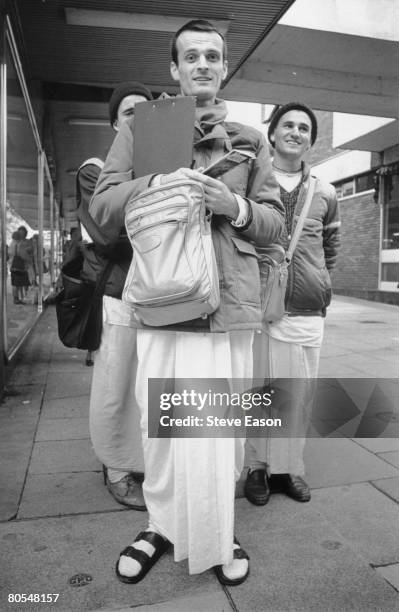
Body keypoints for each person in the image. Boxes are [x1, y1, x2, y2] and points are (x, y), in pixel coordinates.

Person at [90, 19, 283, 585]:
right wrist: (157, 183)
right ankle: (160, 524)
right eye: (190, 56)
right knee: (162, 424)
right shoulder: (142, 126)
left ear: (224, 69)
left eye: (212, 56)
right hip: (163, 297)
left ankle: (218, 528)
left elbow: (272, 224)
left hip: (228, 305)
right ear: (174, 69)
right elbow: (103, 208)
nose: (202, 64)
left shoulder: (251, 137)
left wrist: (234, 205)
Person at [245, 102, 341, 506]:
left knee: (298, 394)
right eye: (287, 124)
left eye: (304, 127)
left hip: (304, 309)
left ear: (311, 141)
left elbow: (331, 248)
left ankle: (288, 468)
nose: (296, 132)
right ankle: (256, 468)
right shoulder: (253, 181)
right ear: (272, 134)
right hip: (257, 305)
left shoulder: (325, 191)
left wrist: (316, 280)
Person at [82, 82, 153, 505]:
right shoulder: (96, 171)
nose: (137, 119)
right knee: (115, 383)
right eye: (129, 112)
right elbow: (106, 231)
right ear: (114, 123)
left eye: (145, 112)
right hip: (121, 290)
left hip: (161, 295)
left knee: (146, 384)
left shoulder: (159, 162)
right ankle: (116, 467)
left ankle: (142, 462)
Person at [9, 230, 28, 304]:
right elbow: (22, 256)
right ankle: (19, 299)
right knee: (19, 284)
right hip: (18, 267)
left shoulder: (11, 244)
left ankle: (15, 298)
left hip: (12, 266)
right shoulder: (19, 244)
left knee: (14, 284)